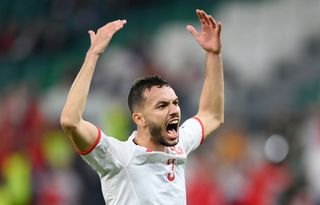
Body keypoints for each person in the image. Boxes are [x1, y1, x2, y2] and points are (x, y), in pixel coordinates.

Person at [60, 9, 224, 205]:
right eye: (162, 105)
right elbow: (71, 121)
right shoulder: (118, 157)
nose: (173, 110)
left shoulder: (179, 146)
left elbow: (212, 114)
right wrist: (93, 55)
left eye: (175, 103)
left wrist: (214, 55)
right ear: (139, 118)